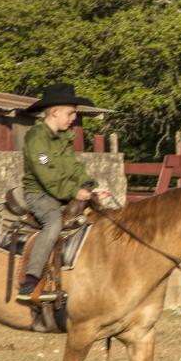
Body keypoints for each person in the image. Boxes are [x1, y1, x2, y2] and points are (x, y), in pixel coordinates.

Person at [16, 83, 110, 303]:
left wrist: (90, 186)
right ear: (55, 112)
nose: (73, 118)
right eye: (71, 113)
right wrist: (74, 193)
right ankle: (30, 281)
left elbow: (73, 168)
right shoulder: (37, 137)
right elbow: (46, 174)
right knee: (53, 223)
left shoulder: (63, 137)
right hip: (40, 194)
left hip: (61, 193)